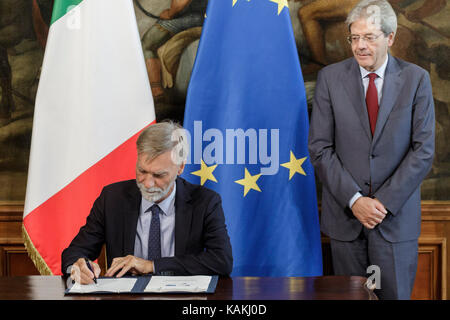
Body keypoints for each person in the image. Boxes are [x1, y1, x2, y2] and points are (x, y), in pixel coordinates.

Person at [308, 0, 435, 300]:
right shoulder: (330, 79)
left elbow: (424, 150)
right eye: (355, 37)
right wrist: (355, 200)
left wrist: (381, 203)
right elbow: (320, 148)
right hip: (346, 223)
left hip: (394, 224)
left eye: (369, 37)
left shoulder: (417, 80)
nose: (360, 46)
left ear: (390, 38)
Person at [62, 121, 233, 284]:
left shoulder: (205, 202)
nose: (148, 183)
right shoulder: (112, 198)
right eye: (142, 171)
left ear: (180, 167)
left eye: (159, 175)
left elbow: (221, 260)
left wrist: (151, 266)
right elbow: (74, 252)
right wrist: (77, 267)